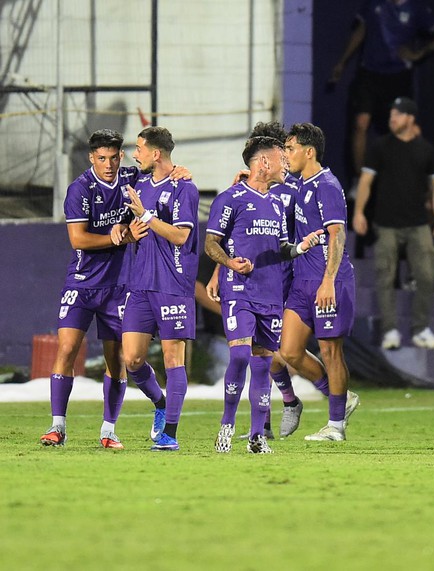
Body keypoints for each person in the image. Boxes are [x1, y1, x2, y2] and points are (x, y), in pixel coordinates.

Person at [40, 129, 189, 450]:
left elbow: (161, 171)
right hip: (82, 282)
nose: (108, 164)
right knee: (67, 348)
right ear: (91, 158)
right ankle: (57, 427)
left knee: (118, 358)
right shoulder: (80, 189)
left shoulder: (132, 179)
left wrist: (179, 171)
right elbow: (78, 239)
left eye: (113, 157)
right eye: (101, 158)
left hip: (120, 286)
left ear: (120, 156)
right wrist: (117, 236)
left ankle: (109, 430)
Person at [205, 135, 323, 454]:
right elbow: (211, 243)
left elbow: (281, 248)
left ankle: (257, 437)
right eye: (281, 159)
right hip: (239, 290)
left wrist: (301, 246)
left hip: (270, 294)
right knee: (240, 355)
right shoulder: (230, 198)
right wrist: (230, 263)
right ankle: (227, 425)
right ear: (264, 162)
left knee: (262, 365)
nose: (286, 165)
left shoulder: (275, 204)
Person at [120, 126, 200, 451]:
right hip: (141, 283)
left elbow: (181, 236)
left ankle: (170, 435)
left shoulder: (185, 187)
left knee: (172, 358)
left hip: (173, 284)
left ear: (155, 153)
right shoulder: (139, 184)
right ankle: (160, 403)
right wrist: (128, 231)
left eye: (139, 148)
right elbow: (131, 225)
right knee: (132, 359)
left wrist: (147, 216)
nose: (134, 154)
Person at [280, 122, 358, 441]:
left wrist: (328, 282)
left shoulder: (326, 185)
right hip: (302, 281)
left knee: (330, 352)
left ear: (309, 152)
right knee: (289, 351)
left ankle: (335, 426)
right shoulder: (300, 183)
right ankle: (342, 397)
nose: (286, 154)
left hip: (329, 281)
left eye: (291, 148)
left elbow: (337, 235)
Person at [352, 96, 434, 350]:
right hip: (386, 223)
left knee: (426, 274)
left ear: (410, 118)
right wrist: (359, 212)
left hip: (418, 223)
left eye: (398, 114)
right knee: (385, 277)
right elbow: (366, 181)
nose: (392, 118)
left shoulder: (425, 149)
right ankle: (390, 330)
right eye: (391, 114)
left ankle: (421, 328)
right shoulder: (380, 146)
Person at [328, 0, 434, 178]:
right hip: (369, 73)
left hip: (397, 77)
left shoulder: (416, 8)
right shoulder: (374, 4)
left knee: (398, 130)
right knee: (360, 123)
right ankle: (360, 181)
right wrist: (342, 62)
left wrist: (419, 53)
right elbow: (361, 31)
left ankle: (397, 180)